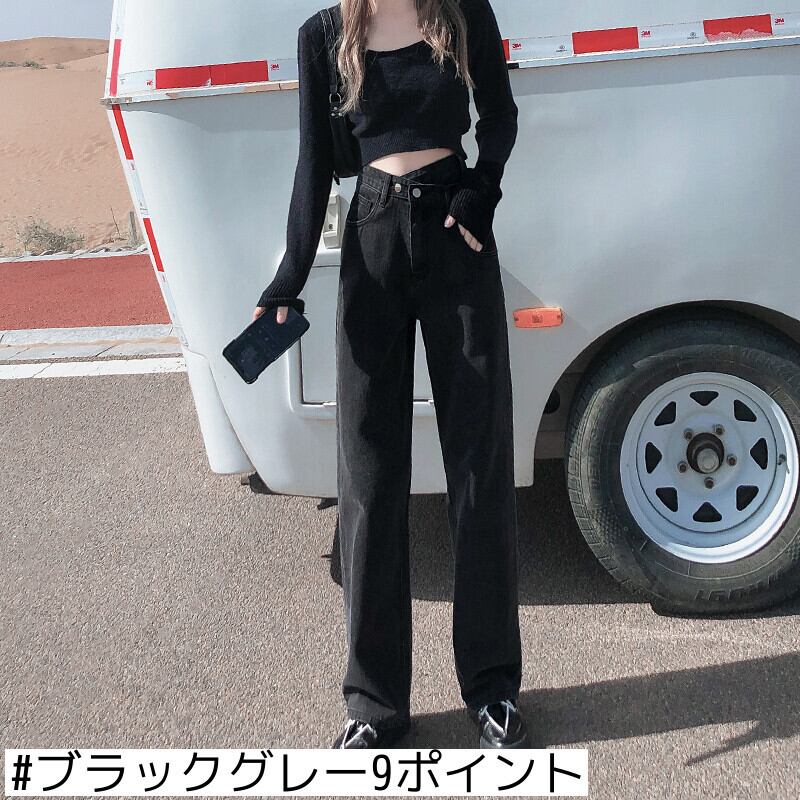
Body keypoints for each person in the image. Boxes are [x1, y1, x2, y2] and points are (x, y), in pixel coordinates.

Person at [252, 0, 527, 749]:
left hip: (455, 237)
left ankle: (493, 687)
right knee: (369, 479)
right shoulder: (324, 35)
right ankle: (374, 705)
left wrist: (482, 191)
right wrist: (287, 278)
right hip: (372, 236)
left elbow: (500, 117)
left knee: (479, 464)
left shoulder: (461, 13)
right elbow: (315, 163)